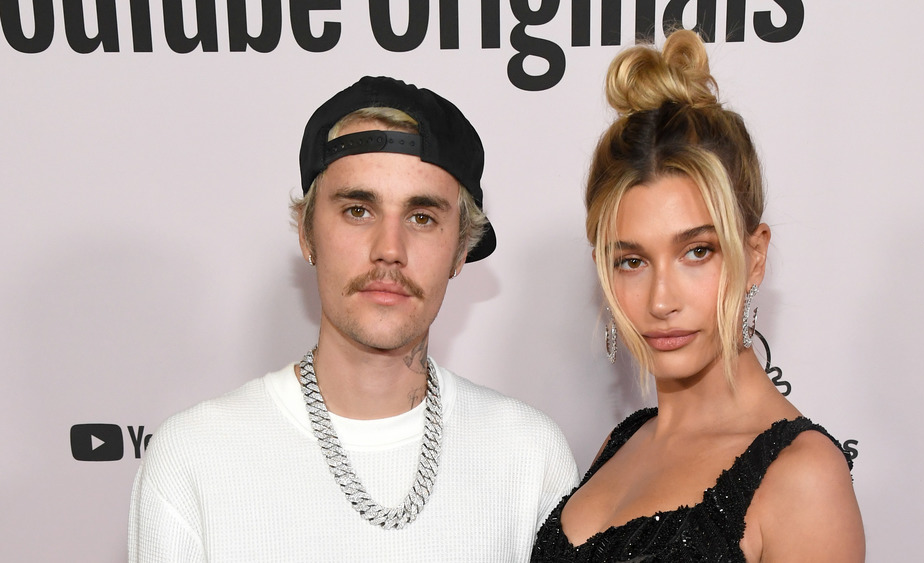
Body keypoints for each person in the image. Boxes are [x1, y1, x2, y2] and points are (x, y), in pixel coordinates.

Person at [128, 76, 578, 562]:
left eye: (422, 217)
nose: (389, 249)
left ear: (459, 251)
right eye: (358, 210)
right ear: (307, 235)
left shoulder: (531, 456)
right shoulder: (193, 459)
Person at [531, 30, 864, 562]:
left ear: (754, 257)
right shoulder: (622, 443)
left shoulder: (803, 477)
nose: (661, 300)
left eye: (697, 252)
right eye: (632, 261)